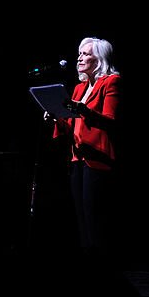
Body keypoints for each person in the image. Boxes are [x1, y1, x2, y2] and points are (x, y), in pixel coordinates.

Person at [44, 36, 123, 263]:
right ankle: (89, 267)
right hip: (77, 156)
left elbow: (110, 121)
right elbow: (71, 124)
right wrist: (56, 118)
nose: (80, 57)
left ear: (99, 59)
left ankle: (104, 267)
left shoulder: (111, 82)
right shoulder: (79, 88)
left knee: (95, 217)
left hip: (97, 156)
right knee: (81, 218)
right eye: (79, 53)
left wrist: (83, 110)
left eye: (86, 54)